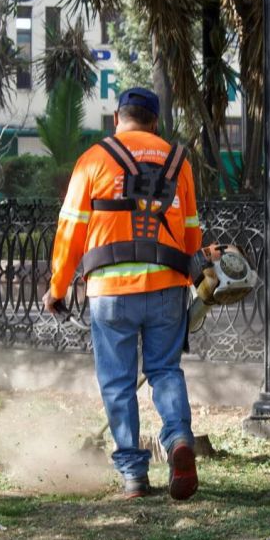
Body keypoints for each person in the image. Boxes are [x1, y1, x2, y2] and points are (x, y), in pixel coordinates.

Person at [43, 87, 202, 500]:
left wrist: (57, 288)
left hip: (110, 292)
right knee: (165, 371)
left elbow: (71, 231)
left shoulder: (93, 160)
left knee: (117, 382)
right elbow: (191, 233)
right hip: (167, 287)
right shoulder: (178, 162)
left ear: (117, 118)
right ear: (155, 122)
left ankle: (134, 475)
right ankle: (179, 439)